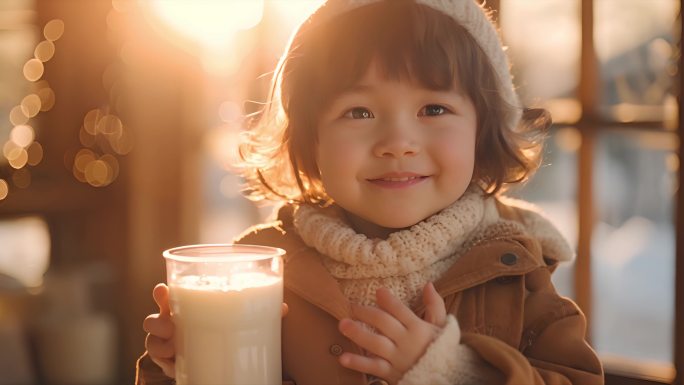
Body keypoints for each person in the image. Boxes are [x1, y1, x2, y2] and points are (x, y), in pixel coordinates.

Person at [137, 0, 604, 384]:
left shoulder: (515, 270)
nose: (398, 143)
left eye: (434, 108)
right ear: (310, 139)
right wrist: (184, 366)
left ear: (482, 132)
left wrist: (454, 373)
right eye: (359, 112)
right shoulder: (266, 270)